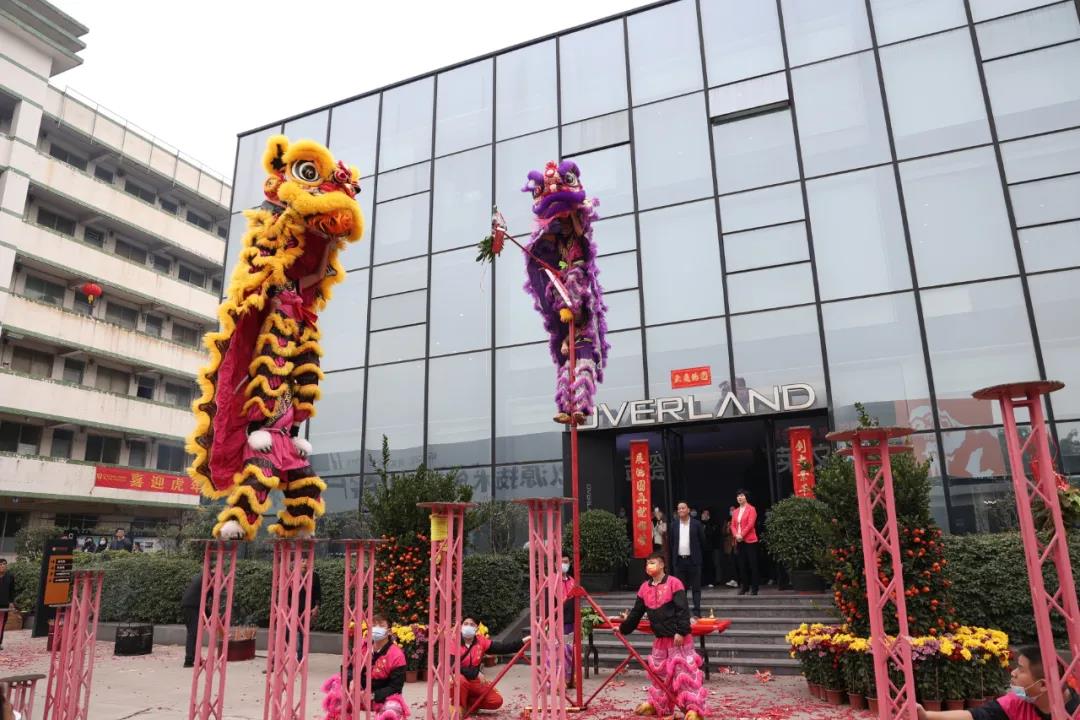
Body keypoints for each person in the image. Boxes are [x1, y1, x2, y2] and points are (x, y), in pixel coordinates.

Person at [618, 552, 708, 720]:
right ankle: (658, 704)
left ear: (661, 565)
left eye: (652, 563)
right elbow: (636, 612)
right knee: (659, 675)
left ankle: (694, 709)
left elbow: (682, 610)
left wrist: (681, 631)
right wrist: (623, 629)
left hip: (678, 639)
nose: (648, 566)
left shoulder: (674, 583)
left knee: (685, 674)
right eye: (647, 563)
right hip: (660, 640)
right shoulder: (644, 588)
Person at [917, 643, 1078, 719]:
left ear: (1042, 684)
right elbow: (976, 716)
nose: (1013, 673)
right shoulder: (1016, 703)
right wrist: (926, 716)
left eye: (1020, 669)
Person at [320, 613, 409, 720]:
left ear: (389, 631)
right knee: (337, 692)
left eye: (381, 625)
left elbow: (396, 687)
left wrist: (372, 695)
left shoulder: (397, 655)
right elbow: (347, 668)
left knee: (393, 708)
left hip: (381, 697)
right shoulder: (361, 646)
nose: (376, 628)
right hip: (357, 693)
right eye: (374, 625)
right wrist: (350, 680)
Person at [454, 615, 529, 716]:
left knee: (496, 701)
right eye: (465, 624)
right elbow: (452, 667)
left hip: (474, 681)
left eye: (472, 625)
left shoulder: (481, 641)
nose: (468, 627)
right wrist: (475, 673)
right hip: (458, 679)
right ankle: (458, 709)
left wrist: (523, 641)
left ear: (476, 628)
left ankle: (468, 704)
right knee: (460, 680)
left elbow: (503, 648)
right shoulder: (453, 641)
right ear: (461, 626)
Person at [669, 501, 706, 617]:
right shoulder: (674, 525)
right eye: (679, 508)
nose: (681, 510)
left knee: (696, 587)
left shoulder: (696, 524)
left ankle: (697, 611)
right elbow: (672, 543)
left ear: (688, 510)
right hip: (679, 561)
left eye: (683, 508)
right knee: (680, 589)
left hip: (693, 560)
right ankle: (682, 612)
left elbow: (703, 541)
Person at [731, 489, 759, 596]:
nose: (739, 497)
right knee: (742, 565)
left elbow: (750, 524)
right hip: (739, 541)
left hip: (750, 540)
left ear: (746, 497)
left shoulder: (751, 509)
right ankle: (744, 587)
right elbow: (733, 525)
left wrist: (741, 535)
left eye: (741, 495)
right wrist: (736, 535)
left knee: (752, 564)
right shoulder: (735, 511)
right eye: (738, 496)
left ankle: (755, 588)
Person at [559, 553, 577, 689]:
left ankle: (570, 679)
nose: (564, 564)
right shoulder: (553, 581)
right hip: (558, 620)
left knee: (570, 649)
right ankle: (561, 679)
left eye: (566, 562)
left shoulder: (572, 581)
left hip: (571, 621)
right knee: (560, 650)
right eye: (562, 562)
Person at [700, 509, 719, 588]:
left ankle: (711, 581)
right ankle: (702, 582)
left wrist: (707, 523)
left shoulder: (712, 524)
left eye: (706, 514)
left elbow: (711, 534)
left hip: (709, 548)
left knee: (710, 565)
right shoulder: (699, 524)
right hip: (700, 548)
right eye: (703, 513)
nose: (704, 515)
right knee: (701, 565)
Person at [723, 506, 740, 588]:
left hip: (737, 544)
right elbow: (723, 533)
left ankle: (738, 580)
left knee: (738, 563)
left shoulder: (739, 519)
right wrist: (727, 527)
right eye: (730, 510)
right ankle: (733, 580)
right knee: (730, 563)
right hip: (729, 546)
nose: (731, 511)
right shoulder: (727, 521)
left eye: (733, 510)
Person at [0, 559, 16, 650]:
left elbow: (12, 590)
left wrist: (11, 602)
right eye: (0, 564)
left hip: (4, 604)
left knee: (1, 623)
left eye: (4, 564)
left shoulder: (10, 576)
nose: (2, 566)